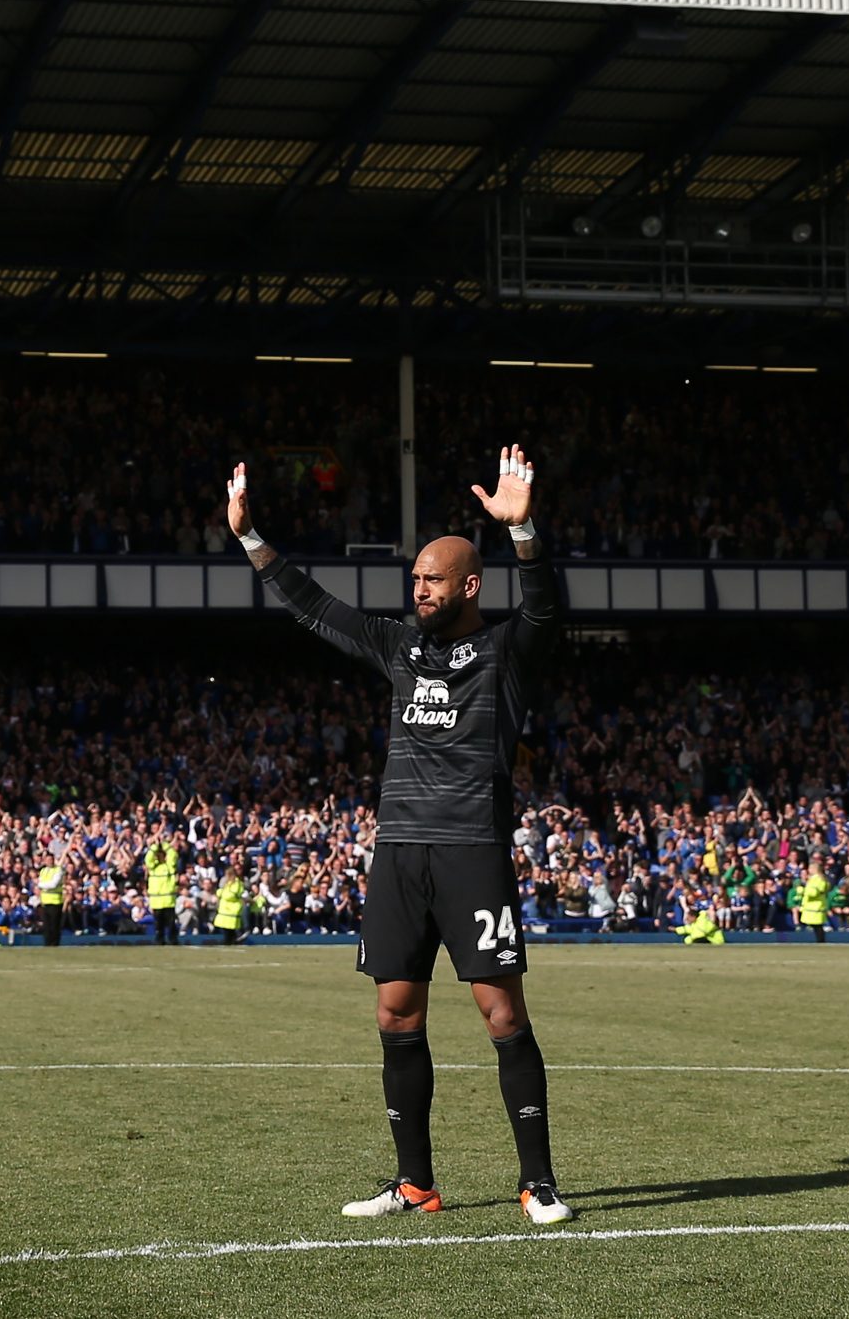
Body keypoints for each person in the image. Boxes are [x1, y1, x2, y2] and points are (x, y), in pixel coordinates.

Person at [234, 446, 574, 1226]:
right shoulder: (399, 648)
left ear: (469, 584)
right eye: (415, 578)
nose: (419, 587)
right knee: (395, 1014)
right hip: (400, 855)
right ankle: (414, 1181)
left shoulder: (504, 654)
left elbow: (547, 608)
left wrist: (525, 534)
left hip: (471, 854)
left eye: (432, 577)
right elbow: (314, 606)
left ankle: (539, 1181)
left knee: (503, 1016)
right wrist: (252, 537)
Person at [143, 828, 182, 946]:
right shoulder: (153, 867)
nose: (159, 857)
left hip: (168, 901)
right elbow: (148, 859)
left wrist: (164, 844)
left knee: (171, 923)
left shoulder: (169, 866)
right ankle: (159, 940)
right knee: (158, 924)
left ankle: (173, 939)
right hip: (156, 902)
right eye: (158, 855)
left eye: (161, 855)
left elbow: (173, 854)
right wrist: (155, 846)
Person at [214, 860, 248, 946]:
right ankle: (230, 939)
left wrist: (222, 893)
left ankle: (232, 939)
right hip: (224, 909)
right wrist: (220, 892)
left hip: (232, 909)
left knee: (231, 927)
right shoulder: (226, 883)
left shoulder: (237, 883)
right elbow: (220, 892)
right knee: (226, 928)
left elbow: (232, 895)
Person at [36, 850, 65, 947]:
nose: (50, 861)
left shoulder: (58, 870)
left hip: (55, 901)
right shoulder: (43, 871)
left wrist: (42, 885)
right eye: (47, 860)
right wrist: (43, 886)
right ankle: (47, 943)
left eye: (51, 859)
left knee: (54, 925)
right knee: (46, 925)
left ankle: (55, 943)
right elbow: (40, 883)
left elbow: (53, 884)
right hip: (45, 902)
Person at [798, 858, 829, 943]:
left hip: (815, 907)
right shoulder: (814, 879)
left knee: (817, 926)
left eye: (810, 868)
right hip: (813, 906)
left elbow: (814, 892)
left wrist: (803, 890)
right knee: (816, 926)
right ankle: (820, 941)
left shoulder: (818, 879)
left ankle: (821, 941)